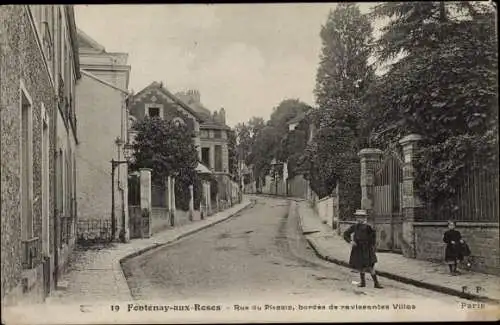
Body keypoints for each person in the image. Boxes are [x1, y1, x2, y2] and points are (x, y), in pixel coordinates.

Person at [343, 214, 383, 289]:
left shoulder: (368, 227)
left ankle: (376, 283)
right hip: (358, 248)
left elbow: (373, 237)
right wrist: (351, 241)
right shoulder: (354, 226)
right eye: (358, 217)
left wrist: (373, 247)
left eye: (361, 217)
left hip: (367, 249)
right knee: (361, 266)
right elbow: (345, 234)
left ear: (364, 218)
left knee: (371, 266)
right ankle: (363, 283)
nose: (359, 219)